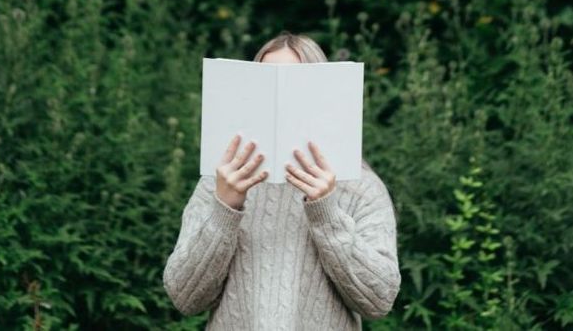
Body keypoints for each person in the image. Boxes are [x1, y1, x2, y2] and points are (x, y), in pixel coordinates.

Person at [162, 31, 401, 330]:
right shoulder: (219, 182)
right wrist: (225, 208)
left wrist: (326, 213)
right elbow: (184, 298)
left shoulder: (360, 187)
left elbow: (379, 300)